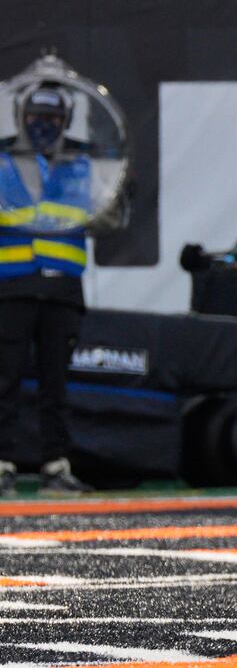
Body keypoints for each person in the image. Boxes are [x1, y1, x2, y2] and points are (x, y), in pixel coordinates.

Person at [0, 85, 99, 498]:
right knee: (4, 381)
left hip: (61, 288)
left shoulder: (81, 163)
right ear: (22, 118)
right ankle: (3, 465)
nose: (44, 126)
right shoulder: (4, 159)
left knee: (56, 384)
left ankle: (55, 467)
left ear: (65, 122)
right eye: (37, 118)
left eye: (53, 119)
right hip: (13, 284)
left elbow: (105, 216)